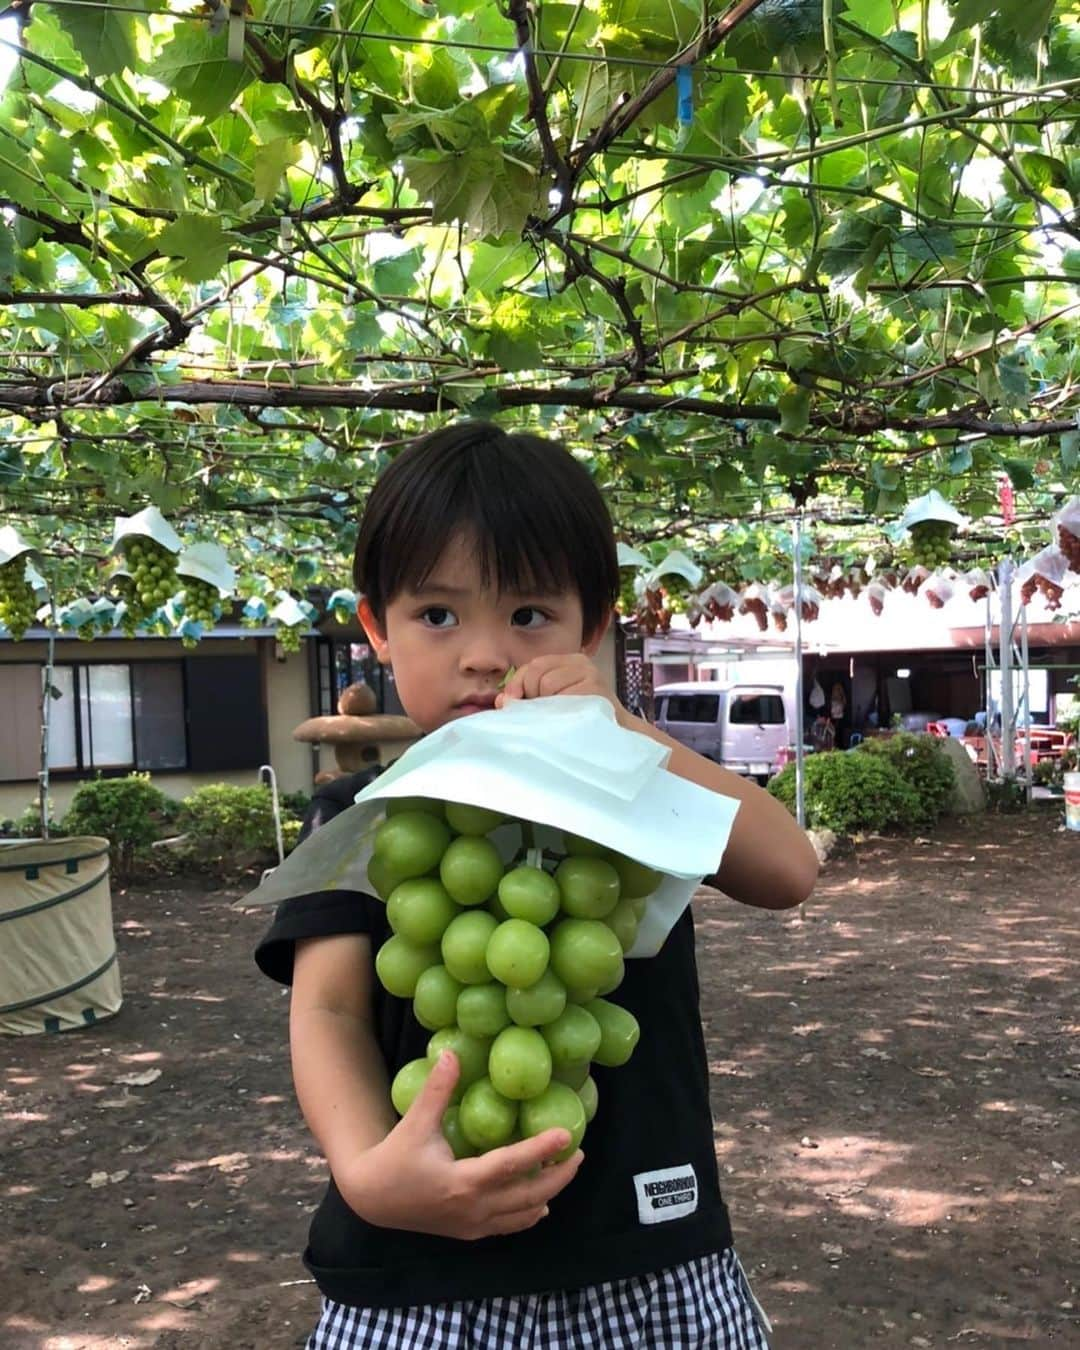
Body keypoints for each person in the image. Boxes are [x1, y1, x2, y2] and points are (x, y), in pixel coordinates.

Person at [255, 421, 818, 1348]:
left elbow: (789, 870)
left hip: (654, 1260)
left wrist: (625, 728)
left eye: (528, 616)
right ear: (376, 630)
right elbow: (329, 1015)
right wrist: (365, 1172)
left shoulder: (631, 783)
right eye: (438, 616)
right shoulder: (366, 816)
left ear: (592, 628)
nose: (484, 654)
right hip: (417, 1273)